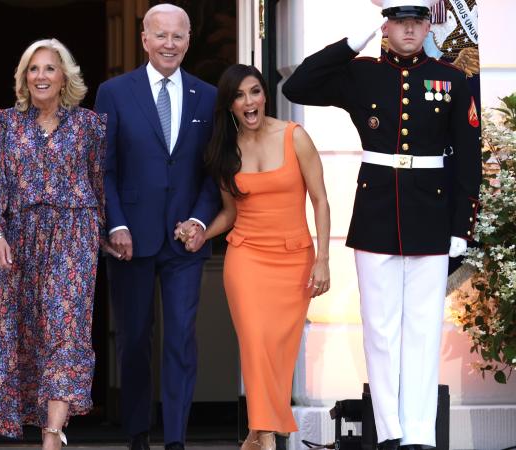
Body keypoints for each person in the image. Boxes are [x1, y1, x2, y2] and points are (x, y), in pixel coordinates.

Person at [282, 1, 481, 449]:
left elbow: (468, 157)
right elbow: (298, 85)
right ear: (386, 25)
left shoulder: (452, 78)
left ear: (429, 25)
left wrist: (459, 228)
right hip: (375, 213)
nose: (409, 30)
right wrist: (355, 40)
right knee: (380, 329)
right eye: (399, 22)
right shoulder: (362, 72)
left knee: (423, 330)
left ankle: (420, 435)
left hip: (431, 216)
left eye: (417, 21)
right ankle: (390, 431)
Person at [0, 38, 106, 450]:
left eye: (49, 69)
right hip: (20, 239)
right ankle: (34, 423)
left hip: (73, 236)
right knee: (16, 333)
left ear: (64, 78)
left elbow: (99, 183)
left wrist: (103, 233)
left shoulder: (89, 125)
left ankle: (52, 434)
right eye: (33, 69)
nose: (41, 76)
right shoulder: (4, 124)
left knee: (67, 330)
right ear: (25, 77)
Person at [94, 4, 220, 449]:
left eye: (178, 36)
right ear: (144, 39)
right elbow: (103, 168)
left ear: (189, 40)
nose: (169, 44)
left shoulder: (208, 95)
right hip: (131, 239)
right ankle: (137, 433)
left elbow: (214, 172)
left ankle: (176, 438)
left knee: (181, 339)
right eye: (160, 35)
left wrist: (202, 220)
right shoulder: (114, 92)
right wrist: (117, 225)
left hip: (185, 242)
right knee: (133, 340)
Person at [198, 64, 330, 450]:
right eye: (239, 96)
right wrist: (203, 232)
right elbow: (230, 213)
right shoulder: (224, 149)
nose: (248, 101)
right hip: (246, 257)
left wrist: (323, 259)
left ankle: (255, 435)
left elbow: (320, 200)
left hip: (294, 260)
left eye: (254, 92)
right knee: (255, 342)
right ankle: (268, 436)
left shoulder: (295, 137)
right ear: (230, 106)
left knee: (278, 349)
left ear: (264, 95)